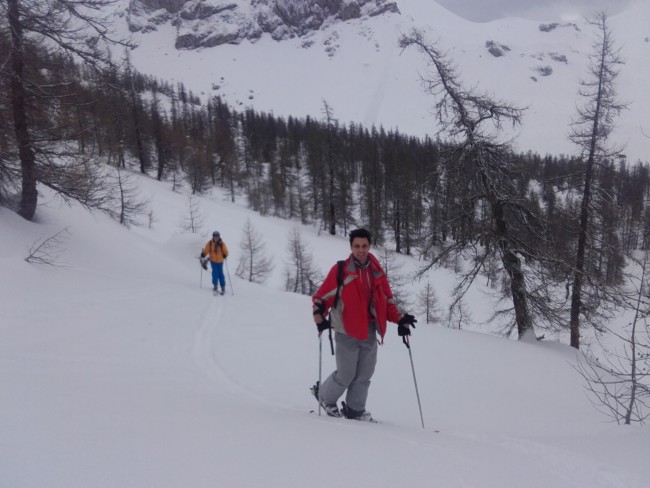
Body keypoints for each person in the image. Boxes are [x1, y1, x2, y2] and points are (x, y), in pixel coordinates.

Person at [311, 228, 417, 421]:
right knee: (346, 373)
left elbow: (386, 300)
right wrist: (319, 314)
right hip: (346, 329)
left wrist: (400, 319)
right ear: (351, 247)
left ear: (370, 246)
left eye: (364, 246)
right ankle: (325, 396)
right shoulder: (341, 270)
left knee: (364, 374)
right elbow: (323, 296)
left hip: (369, 329)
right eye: (356, 246)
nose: (360, 250)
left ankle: (355, 409)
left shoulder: (376, 271)